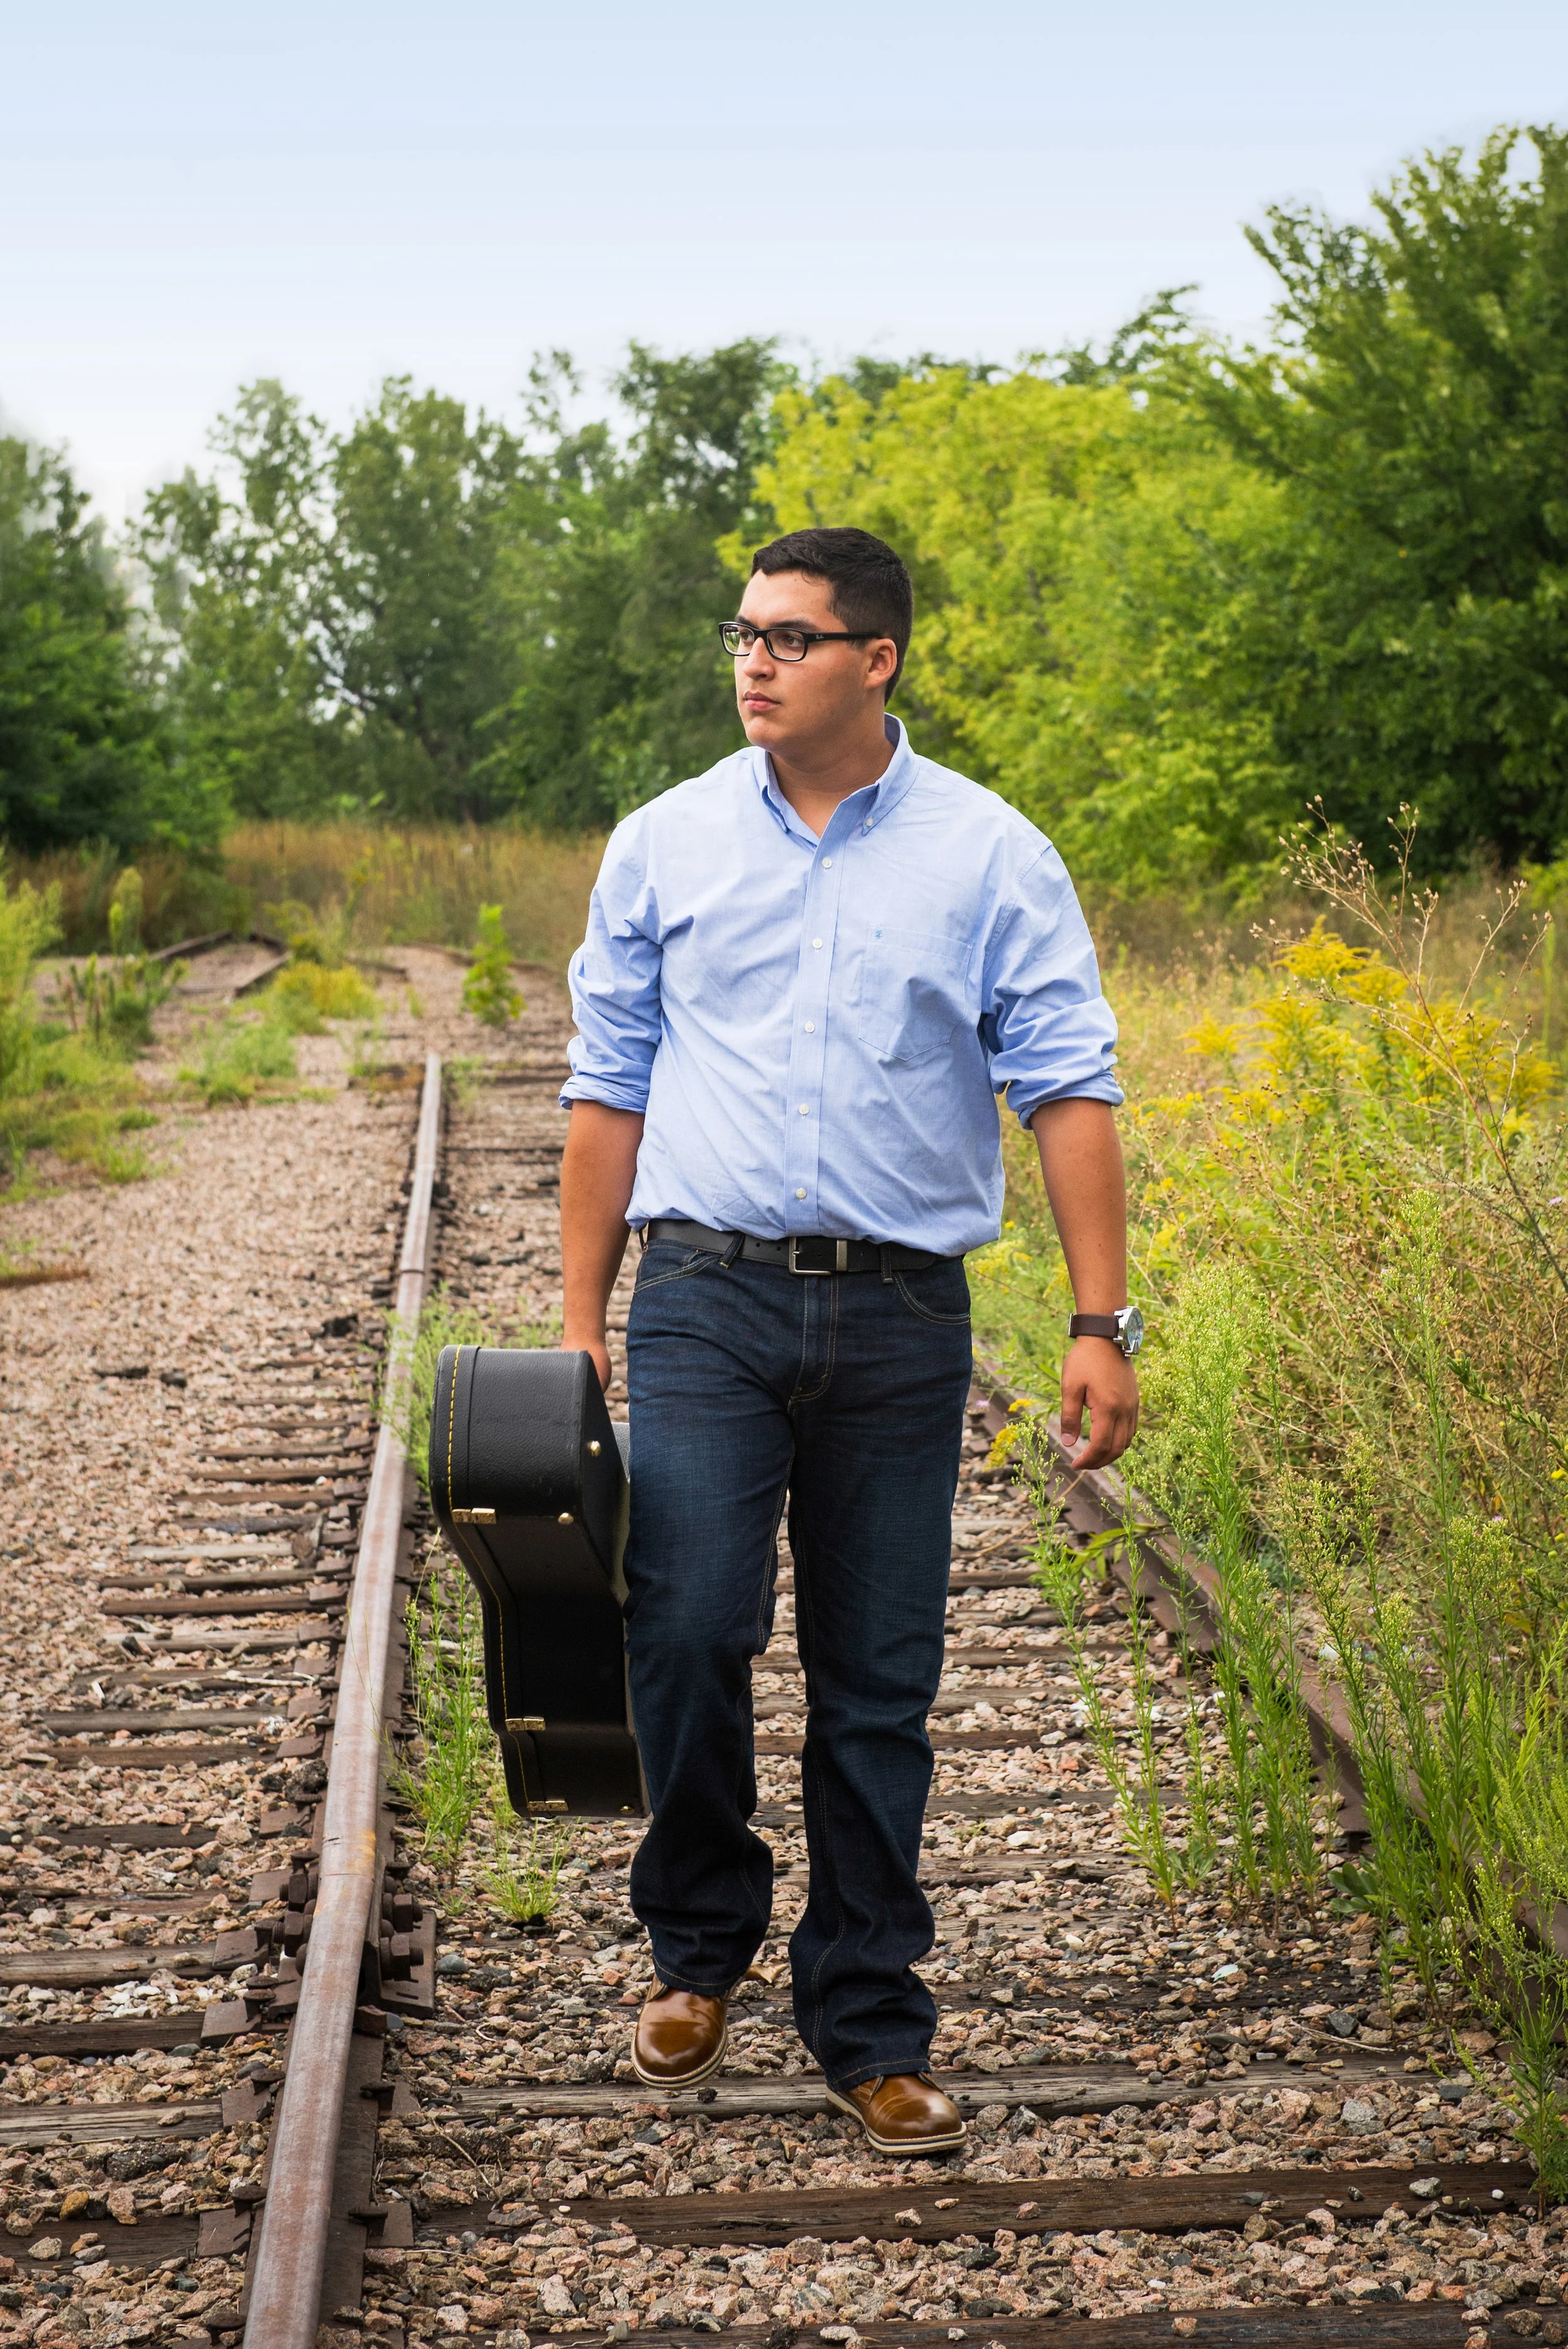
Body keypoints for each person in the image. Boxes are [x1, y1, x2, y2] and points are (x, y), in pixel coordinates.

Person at [558, 525, 1140, 2155]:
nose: (753, 661)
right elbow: (606, 1086)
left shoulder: (989, 854)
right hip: (702, 1295)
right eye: (741, 631)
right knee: (683, 1630)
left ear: (874, 660)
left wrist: (1101, 1321)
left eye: (791, 638)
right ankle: (695, 1945)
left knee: (877, 1684)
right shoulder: (664, 843)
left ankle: (870, 2021)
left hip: (899, 1317)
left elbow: (1068, 1088)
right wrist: (577, 1325)